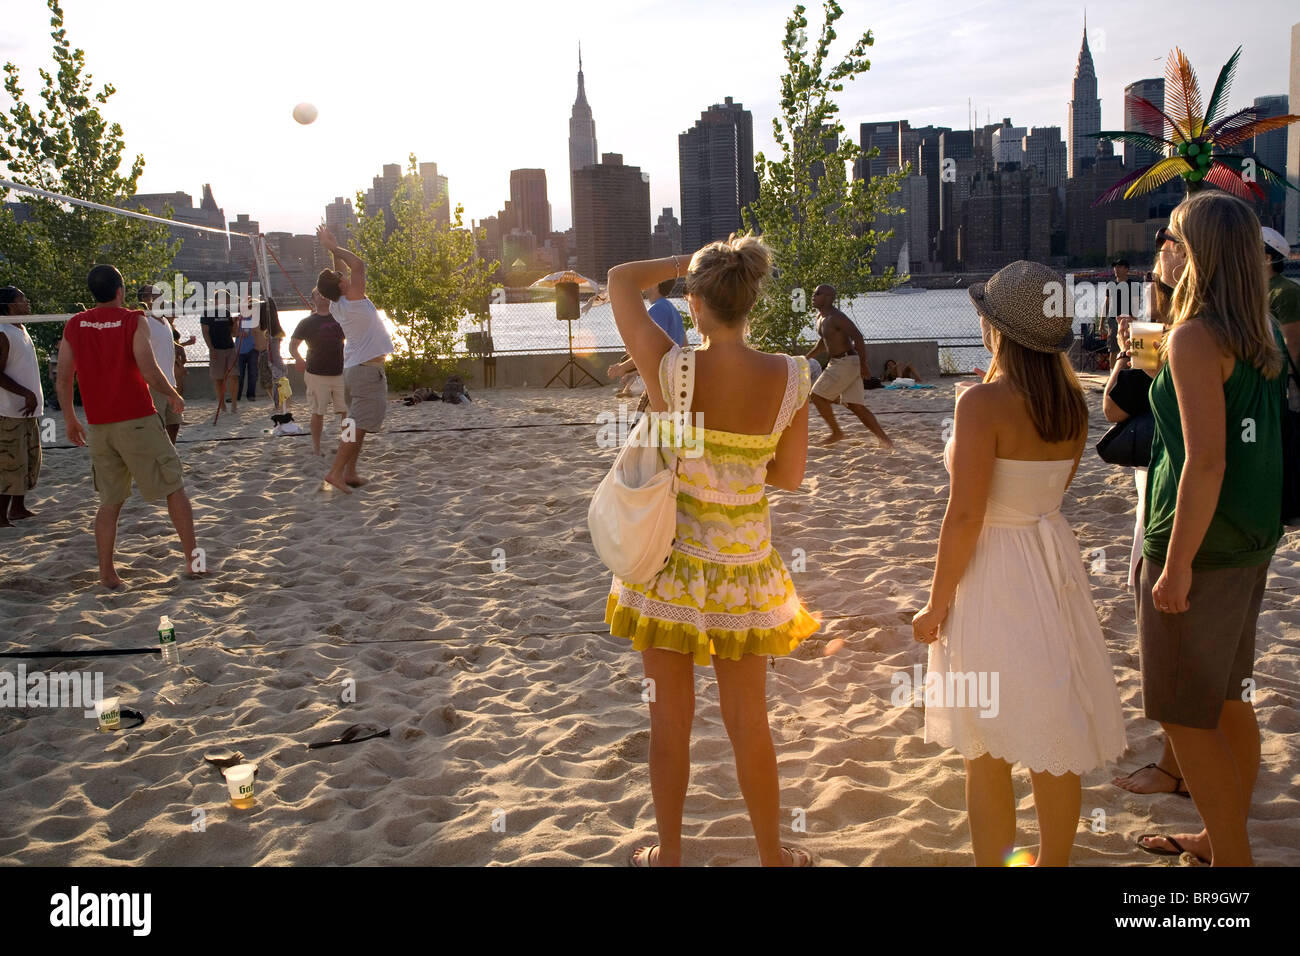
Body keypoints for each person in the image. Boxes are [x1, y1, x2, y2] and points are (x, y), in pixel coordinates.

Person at [604, 236, 818, 868]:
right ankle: (772, 859)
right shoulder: (791, 377)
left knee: (669, 720)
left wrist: (682, 265)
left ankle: (668, 856)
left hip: (668, 569)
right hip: (742, 574)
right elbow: (788, 477)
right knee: (749, 721)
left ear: (695, 302)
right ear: (752, 300)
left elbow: (618, 279)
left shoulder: (672, 369)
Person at [912, 260, 1126, 867]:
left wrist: (936, 603)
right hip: (1050, 560)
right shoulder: (1072, 405)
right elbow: (1042, 495)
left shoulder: (982, 403)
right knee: (1051, 730)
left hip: (995, 569)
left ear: (999, 329)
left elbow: (966, 517)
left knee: (985, 746)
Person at [1133, 192, 1285, 868]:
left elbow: (1206, 460)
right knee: (1228, 701)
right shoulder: (1260, 334)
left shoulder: (1196, 339)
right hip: (1250, 540)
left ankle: (1231, 859)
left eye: (1171, 236)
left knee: (1182, 714)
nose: (1162, 246)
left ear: (1194, 251)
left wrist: (1176, 565)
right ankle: (1221, 841)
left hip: (1202, 544)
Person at [1106, 230, 1190, 800]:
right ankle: (1184, 763)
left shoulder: (1172, 335)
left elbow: (1116, 408)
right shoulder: (1242, 325)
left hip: (1168, 499)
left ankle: (1175, 766)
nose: (1161, 248)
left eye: (1173, 241)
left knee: (1171, 638)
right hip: (1212, 507)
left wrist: (1127, 356)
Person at [56, 265, 199, 588]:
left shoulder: (75, 324)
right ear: (120, 290)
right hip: (136, 419)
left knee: (110, 501)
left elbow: (63, 377)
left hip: (99, 426)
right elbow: (148, 369)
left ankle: (107, 573)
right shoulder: (132, 319)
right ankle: (193, 561)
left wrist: (69, 418)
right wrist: (174, 394)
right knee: (173, 487)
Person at [316, 225, 393, 492]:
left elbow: (341, 274)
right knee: (358, 426)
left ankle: (349, 471)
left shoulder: (338, 303)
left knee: (351, 424)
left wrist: (333, 250)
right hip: (366, 373)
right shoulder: (354, 300)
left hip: (352, 370)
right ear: (340, 285)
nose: (344, 275)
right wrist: (333, 248)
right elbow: (358, 265)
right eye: (340, 276)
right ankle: (336, 472)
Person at [804, 284, 892, 447]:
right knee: (856, 406)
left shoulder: (837, 317)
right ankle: (885, 440)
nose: (813, 296)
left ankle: (837, 432)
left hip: (846, 362)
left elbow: (858, 337)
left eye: (817, 293)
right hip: (839, 363)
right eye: (813, 293)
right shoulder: (820, 317)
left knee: (816, 395)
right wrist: (807, 357)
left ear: (829, 297)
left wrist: (864, 363)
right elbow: (823, 342)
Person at [0, 286, 43, 527]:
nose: (27, 302)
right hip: (8, 411)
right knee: (9, 463)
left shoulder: (20, 328)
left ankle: (18, 507)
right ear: (9, 305)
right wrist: (26, 393)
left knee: (27, 460)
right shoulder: (3, 332)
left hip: (26, 409)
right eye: (22, 299)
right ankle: (1, 515)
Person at [606, 279, 686, 407]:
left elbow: (650, 350)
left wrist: (622, 368)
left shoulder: (657, 310)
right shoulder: (672, 309)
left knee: (645, 421)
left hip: (660, 380)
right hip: (673, 376)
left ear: (655, 284)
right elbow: (684, 346)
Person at [290, 288, 348, 456]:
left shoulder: (340, 318)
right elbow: (293, 345)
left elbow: (354, 339)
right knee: (318, 412)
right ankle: (316, 448)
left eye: (325, 294)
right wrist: (299, 359)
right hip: (316, 373)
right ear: (312, 299)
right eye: (318, 294)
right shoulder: (306, 322)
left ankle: (348, 444)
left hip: (340, 372)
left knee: (347, 413)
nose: (323, 297)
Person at [139, 285, 183, 444]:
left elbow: (164, 341)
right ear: (145, 299)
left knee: (175, 422)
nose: (161, 298)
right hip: (154, 383)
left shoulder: (164, 320)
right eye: (156, 295)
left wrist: (179, 348)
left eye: (161, 295)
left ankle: (170, 451)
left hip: (170, 382)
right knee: (157, 424)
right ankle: (160, 454)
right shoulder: (144, 320)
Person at [1262, 226, 1299, 367]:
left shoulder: (1286, 292)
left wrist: (1288, 382)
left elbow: (1292, 343)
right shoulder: (1247, 288)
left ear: (1266, 258)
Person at [201, 290, 238, 412]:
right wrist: (211, 348)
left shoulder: (227, 312)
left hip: (230, 347)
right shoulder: (207, 314)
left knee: (234, 376)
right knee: (219, 379)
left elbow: (233, 333)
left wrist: (235, 322)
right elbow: (205, 332)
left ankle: (234, 404)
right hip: (216, 349)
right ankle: (222, 405)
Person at [1102, 258, 1146, 358]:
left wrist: (1133, 318)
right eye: (1115, 267)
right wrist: (1101, 323)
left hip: (1128, 320)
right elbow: (1106, 304)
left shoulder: (1133, 285)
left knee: (1130, 347)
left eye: (1119, 266)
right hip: (1113, 321)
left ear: (1126, 269)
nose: (1116, 269)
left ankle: (1127, 369)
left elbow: (1136, 304)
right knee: (1113, 350)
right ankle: (1113, 371)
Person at [235, 296, 261, 402]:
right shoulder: (237, 318)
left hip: (253, 349)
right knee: (239, 374)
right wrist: (238, 330)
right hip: (240, 349)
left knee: (253, 373)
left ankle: (251, 395)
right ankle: (236, 395)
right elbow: (233, 332)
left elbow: (256, 332)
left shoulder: (255, 318)